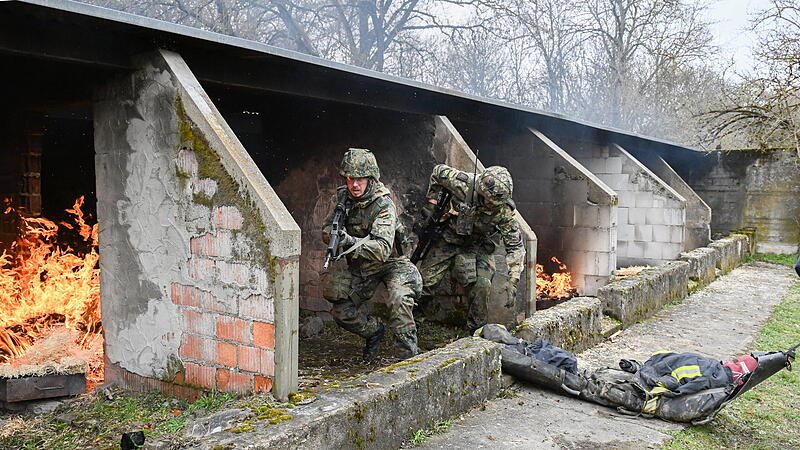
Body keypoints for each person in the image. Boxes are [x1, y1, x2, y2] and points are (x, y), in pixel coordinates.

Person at [322, 148, 421, 361]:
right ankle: (375, 331)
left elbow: (382, 249)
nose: (354, 185)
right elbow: (327, 228)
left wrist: (349, 241)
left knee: (399, 300)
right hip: (363, 265)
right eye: (350, 179)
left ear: (371, 178)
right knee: (341, 311)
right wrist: (333, 235)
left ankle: (408, 359)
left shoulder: (383, 204)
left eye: (360, 179)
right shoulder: (343, 197)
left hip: (393, 263)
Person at [416, 163, 525, 332]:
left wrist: (513, 281)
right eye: (488, 200)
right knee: (425, 283)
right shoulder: (462, 183)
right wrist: (432, 201)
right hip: (448, 240)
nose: (491, 205)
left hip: (477, 246)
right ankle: (412, 323)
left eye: (495, 203)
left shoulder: (503, 211)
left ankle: (476, 330)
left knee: (482, 285)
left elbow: (515, 247)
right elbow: (437, 171)